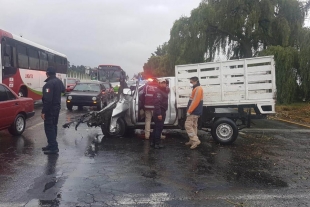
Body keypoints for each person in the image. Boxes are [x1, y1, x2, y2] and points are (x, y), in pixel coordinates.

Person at [41, 67, 65, 154]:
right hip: (57, 108)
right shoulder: (58, 81)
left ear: (47, 73)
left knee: (49, 128)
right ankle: (51, 145)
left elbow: (48, 100)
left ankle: (53, 147)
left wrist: (44, 112)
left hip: (50, 109)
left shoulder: (48, 84)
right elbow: (63, 90)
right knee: (54, 126)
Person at [185, 76, 204, 149]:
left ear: (196, 82)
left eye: (191, 82)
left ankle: (195, 140)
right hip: (195, 111)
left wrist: (189, 111)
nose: (190, 84)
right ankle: (192, 140)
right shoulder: (196, 88)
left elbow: (195, 101)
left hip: (194, 112)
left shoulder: (198, 89)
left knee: (188, 125)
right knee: (193, 126)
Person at [151, 79, 169, 149]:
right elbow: (157, 104)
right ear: (159, 84)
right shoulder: (158, 92)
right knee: (159, 128)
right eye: (162, 83)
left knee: (156, 128)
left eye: (164, 83)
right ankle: (157, 144)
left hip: (161, 111)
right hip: (159, 111)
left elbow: (167, 90)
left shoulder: (163, 91)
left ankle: (153, 142)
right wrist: (159, 114)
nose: (163, 84)